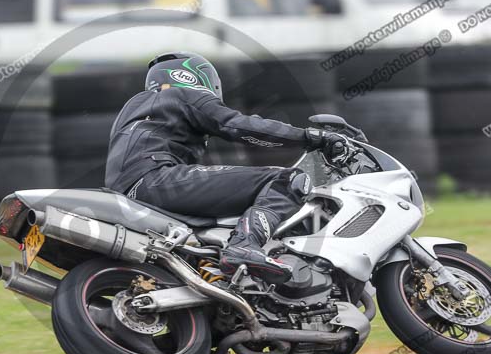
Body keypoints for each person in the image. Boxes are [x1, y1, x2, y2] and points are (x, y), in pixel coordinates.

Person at [105, 52, 348, 279]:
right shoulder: (183, 95)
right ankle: (244, 246)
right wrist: (309, 137)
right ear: (195, 77)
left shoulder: (134, 110)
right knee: (288, 180)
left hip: (130, 193)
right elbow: (238, 125)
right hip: (157, 180)